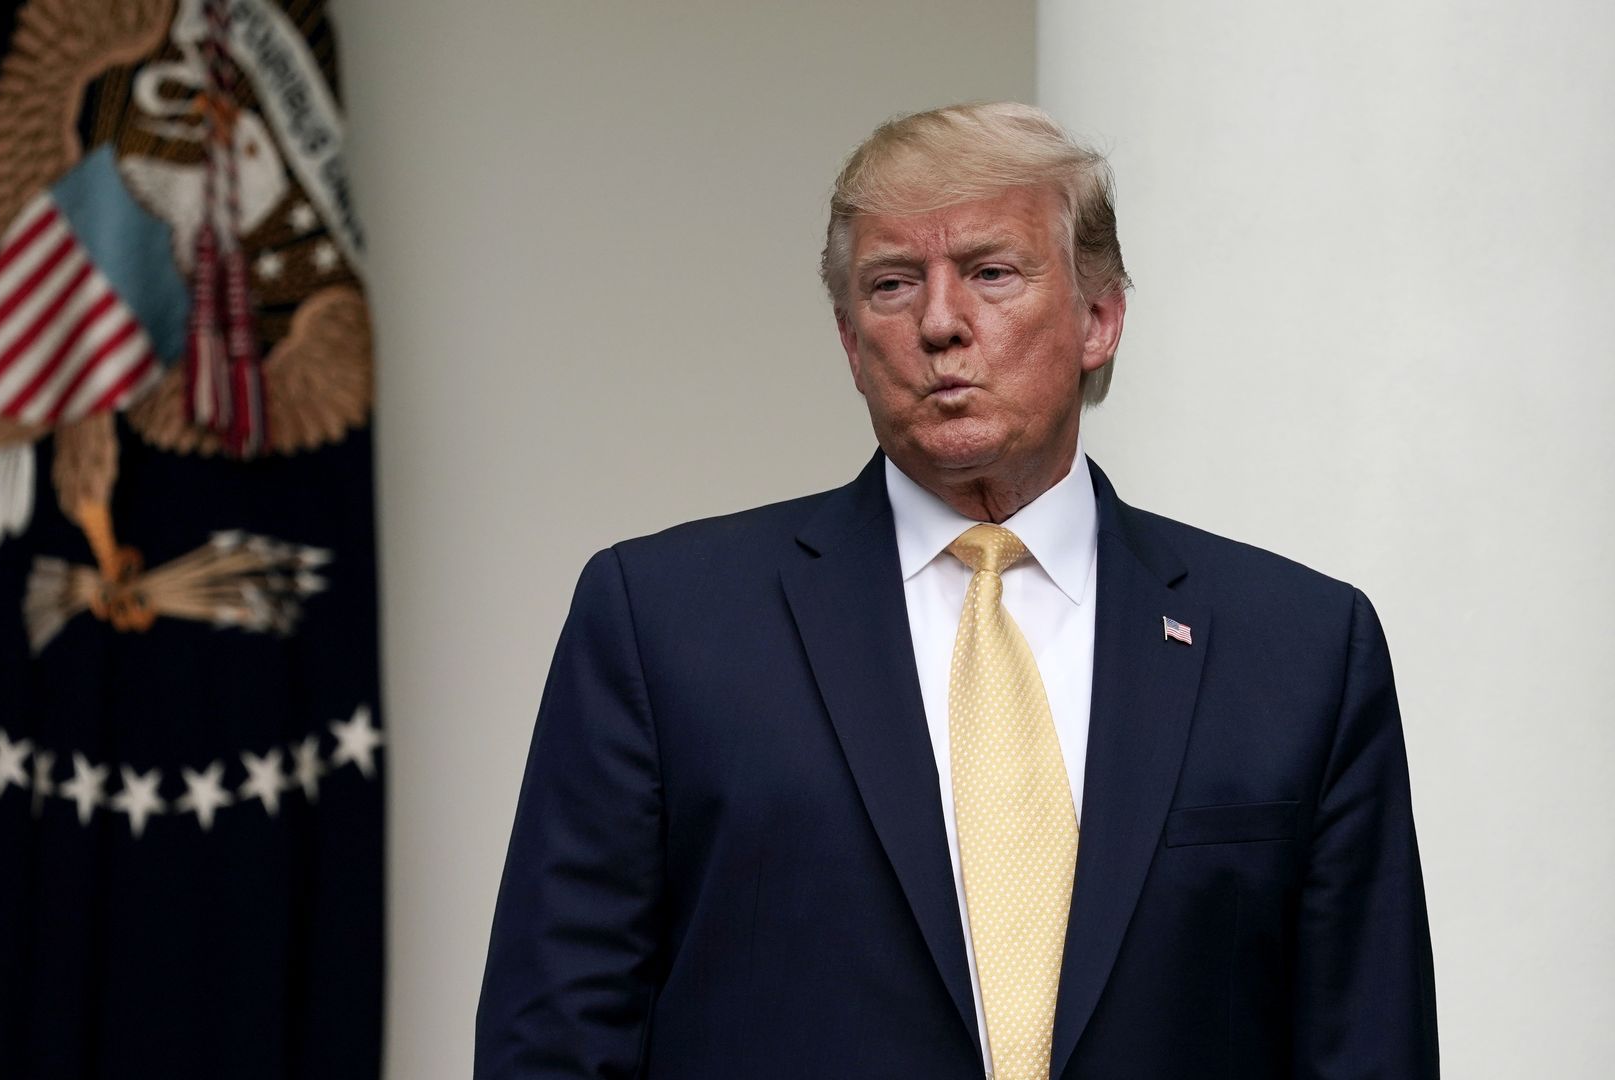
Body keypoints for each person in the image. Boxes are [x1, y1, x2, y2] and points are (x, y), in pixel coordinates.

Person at [475, 102, 1438, 1080]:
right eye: (893, 286)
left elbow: (1366, 1044)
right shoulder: (665, 623)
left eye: (989, 273)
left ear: (1098, 318)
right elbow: (556, 1038)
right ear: (852, 344)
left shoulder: (1299, 648)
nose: (940, 323)